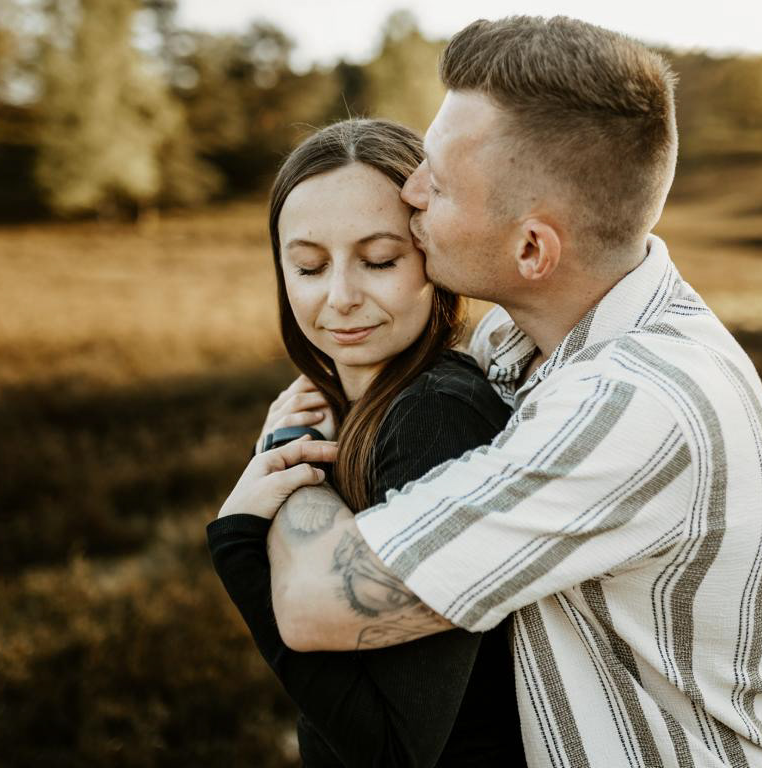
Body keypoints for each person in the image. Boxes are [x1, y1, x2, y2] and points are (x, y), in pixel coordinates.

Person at [226, 16, 762, 768]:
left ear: (533, 247)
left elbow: (312, 603)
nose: (411, 187)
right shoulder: (523, 340)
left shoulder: (631, 408)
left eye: (440, 179)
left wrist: (290, 450)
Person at [208, 119, 525, 767]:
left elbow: (394, 751)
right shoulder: (331, 408)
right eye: (308, 265)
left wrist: (241, 540)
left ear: (432, 256)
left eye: (380, 260)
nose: (341, 297)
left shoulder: (435, 417)